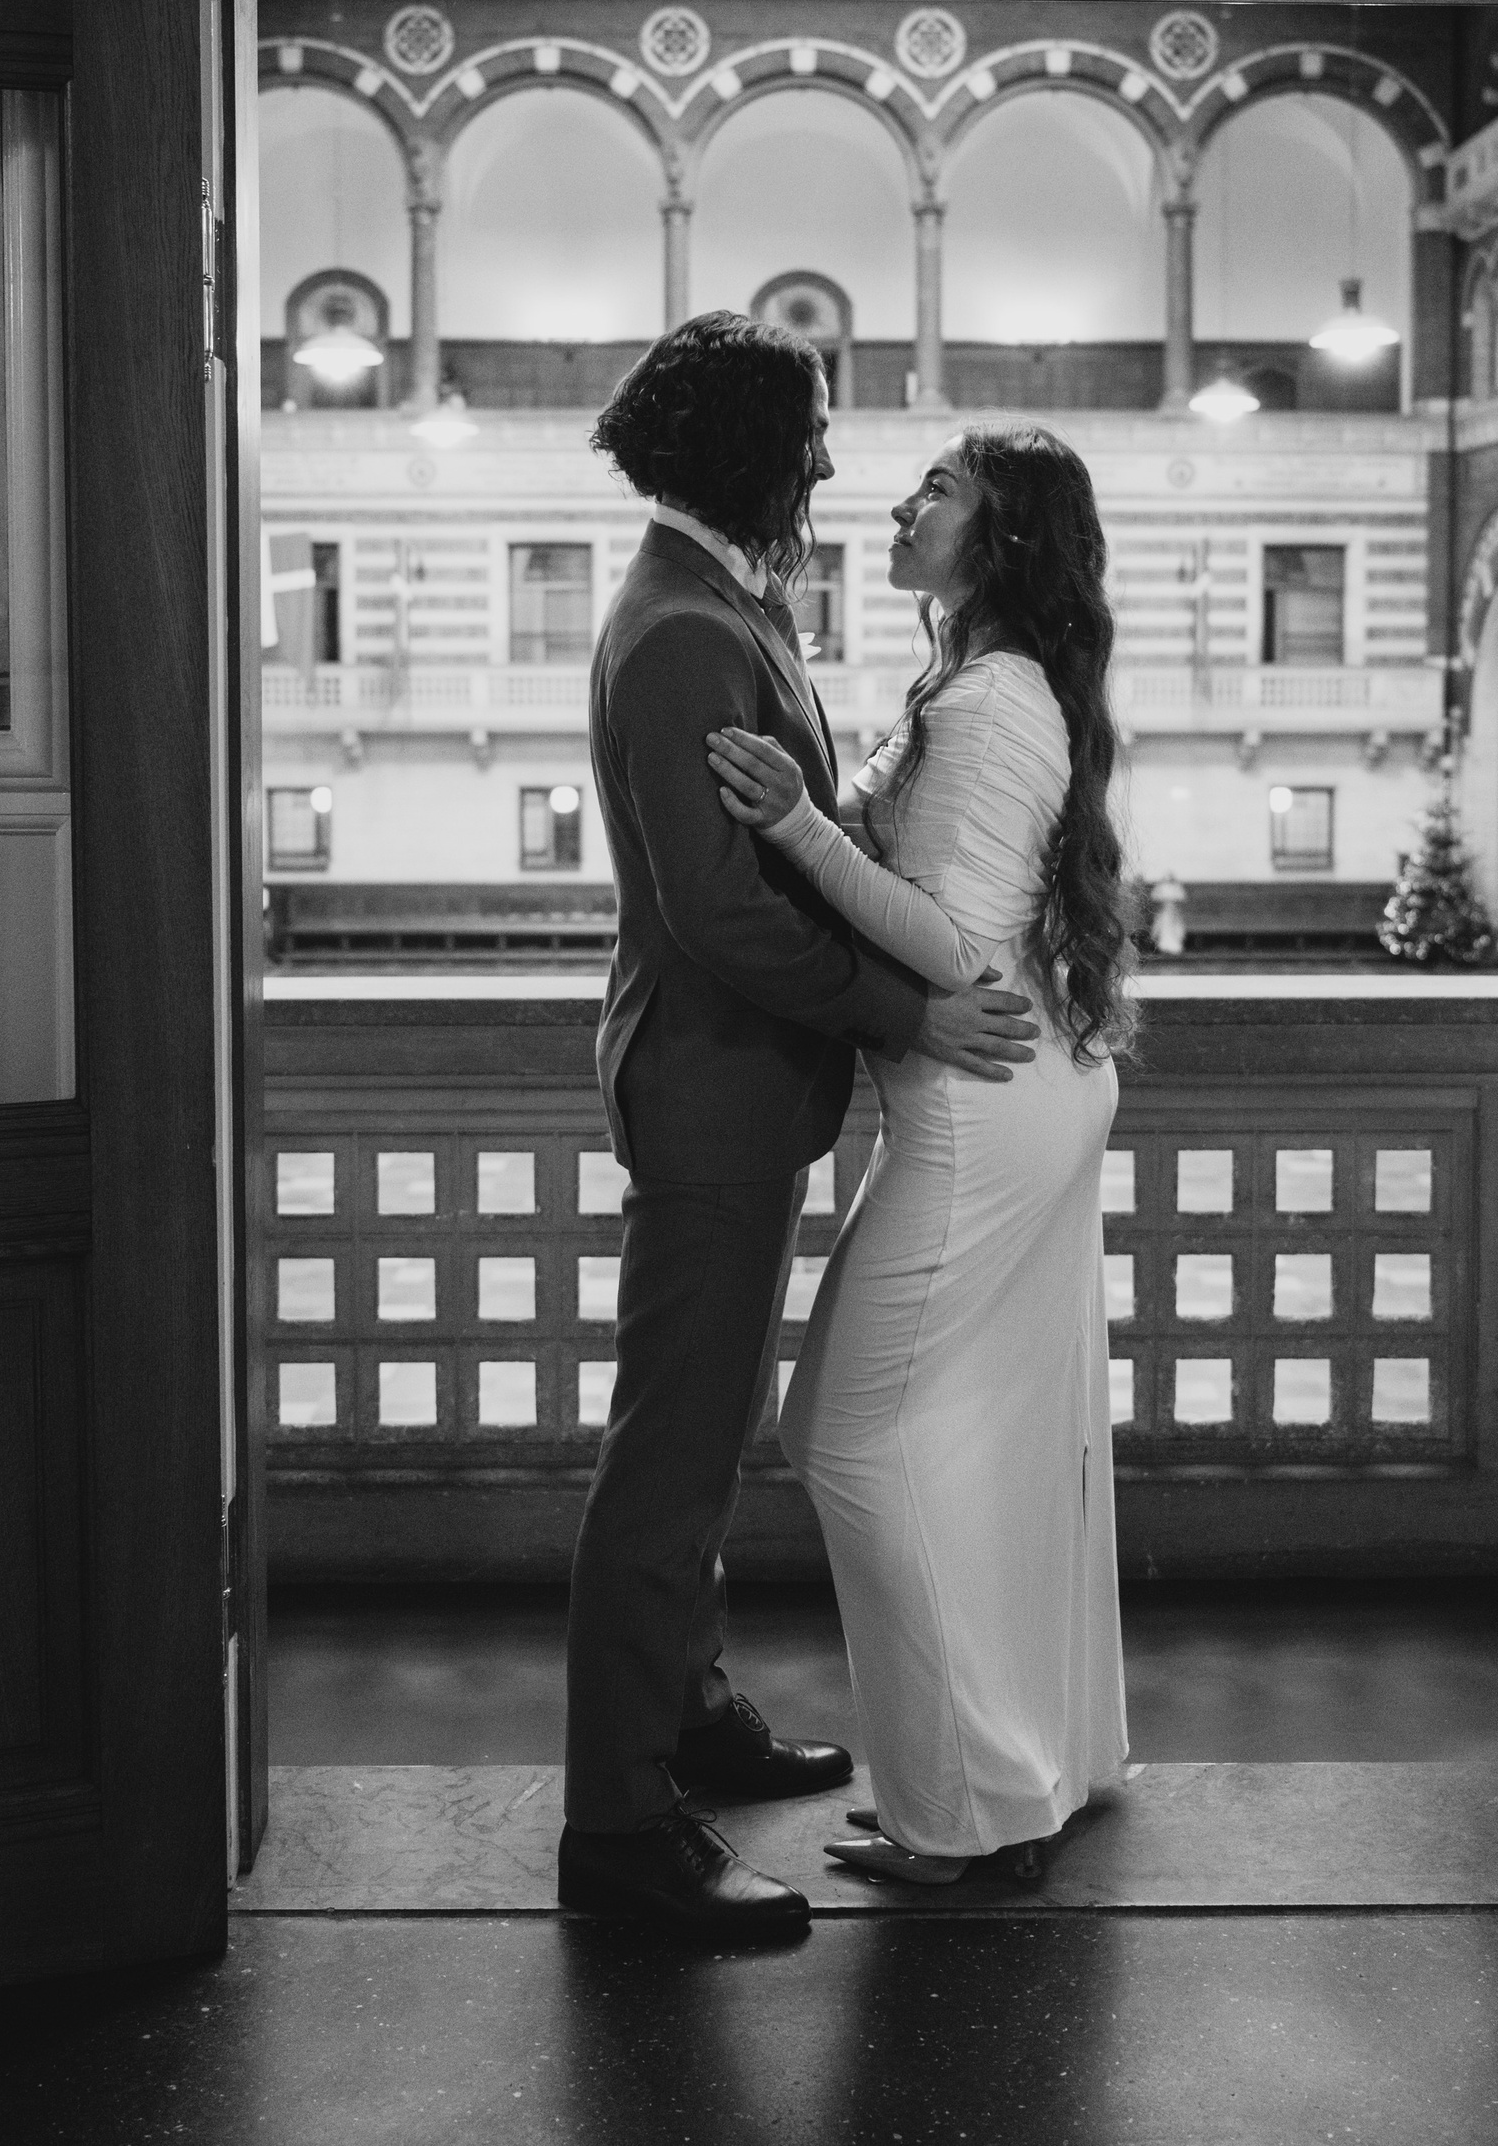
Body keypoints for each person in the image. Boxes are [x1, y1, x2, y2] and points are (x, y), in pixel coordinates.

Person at [558, 314, 1038, 1939]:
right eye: (811, 432)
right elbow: (719, 913)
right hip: (711, 1084)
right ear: (750, 448)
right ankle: (619, 1824)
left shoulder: (716, 598)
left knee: (706, 1435)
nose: (829, 462)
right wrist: (909, 1012)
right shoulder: (682, 630)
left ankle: (690, 1713)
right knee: (668, 1459)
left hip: (740, 1086)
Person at [705, 421, 1132, 1885]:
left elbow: (955, 944)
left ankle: (964, 1807)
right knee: (994, 1436)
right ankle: (1034, 1759)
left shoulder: (993, 699)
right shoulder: (985, 678)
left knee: (842, 1432)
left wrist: (801, 826)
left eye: (938, 487)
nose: (900, 501)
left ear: (1001, 537)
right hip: (1018, 1087)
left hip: (979, 1103)